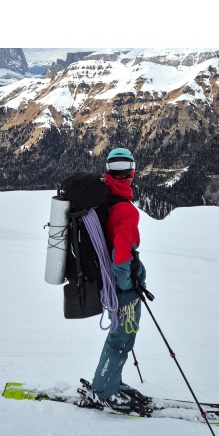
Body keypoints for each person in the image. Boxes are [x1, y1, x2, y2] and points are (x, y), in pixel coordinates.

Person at [78, 148, 148, 414]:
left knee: (120, 336)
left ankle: (110, 382)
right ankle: (104, 390)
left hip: (107, 280)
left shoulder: (102, 200)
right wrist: (129, 286)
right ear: (132, 173)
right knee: (120, 339)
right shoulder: (126, 211)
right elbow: (120, 258)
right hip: (121, 286)